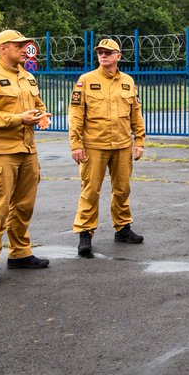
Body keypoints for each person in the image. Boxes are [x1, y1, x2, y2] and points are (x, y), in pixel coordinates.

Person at [0, 30, 52, 285]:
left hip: (27, 149)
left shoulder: (27, 77)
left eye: (25, 45)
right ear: (3, 48)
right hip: (0, 152)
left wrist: (42, 115)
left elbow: (37, 105)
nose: (24, 49)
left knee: (24, 205)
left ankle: (20, 253)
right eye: (18, 45)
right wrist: (18, 119)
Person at [69, 38, 147, 256]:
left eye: (108, 52)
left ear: (118, 56)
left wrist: (139, 141)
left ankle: (122, 228)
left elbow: (136, 114)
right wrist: (76, 144)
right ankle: (85, 233)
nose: (103, 55)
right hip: (94, 145)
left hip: (122, 144)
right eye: (100, 52)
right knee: (90, 190)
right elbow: (76, 114)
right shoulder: (86, 80)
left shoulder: (128, 81)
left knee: (122, 188)